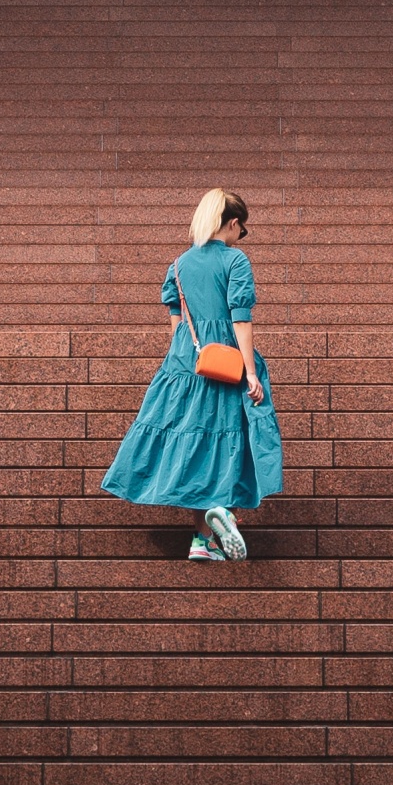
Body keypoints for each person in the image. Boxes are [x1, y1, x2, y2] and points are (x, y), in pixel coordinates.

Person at [101, 187, 283, 560]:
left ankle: (203, 540)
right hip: (227, 359)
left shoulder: (179, 264)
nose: (240, 236)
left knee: (194, 443)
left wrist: (181, 360)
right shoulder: (235, 261)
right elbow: (241, 318)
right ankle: (225, 513)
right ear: (232, 223)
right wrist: (250, 372)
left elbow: (176, 320)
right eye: (241, 229)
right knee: (229, 437)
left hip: (187, 363)